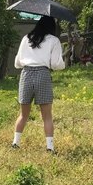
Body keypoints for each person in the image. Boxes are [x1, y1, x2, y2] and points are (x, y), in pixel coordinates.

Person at [12, 16, 65, 152]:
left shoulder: (26, 38)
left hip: (26, 74)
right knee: (46, 116)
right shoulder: (54, 40)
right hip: (43, 74)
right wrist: (62, 63)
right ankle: (50, 147)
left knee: (23, 114)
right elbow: (55, 64)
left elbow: (17, 63)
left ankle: (15, 143)